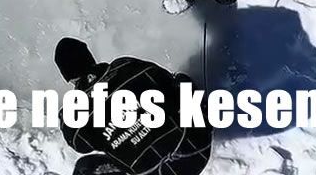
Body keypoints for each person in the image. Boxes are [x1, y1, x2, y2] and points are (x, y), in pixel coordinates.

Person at [54, 37, 212, 175]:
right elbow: (164, 78)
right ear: (90, 58)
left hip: (152, 172)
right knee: (180, 82)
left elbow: (79, 145)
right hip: (195, 150)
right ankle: (206, 113)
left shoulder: (76, 111)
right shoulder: (124, 66)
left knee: (85, 167)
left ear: (69, 78)